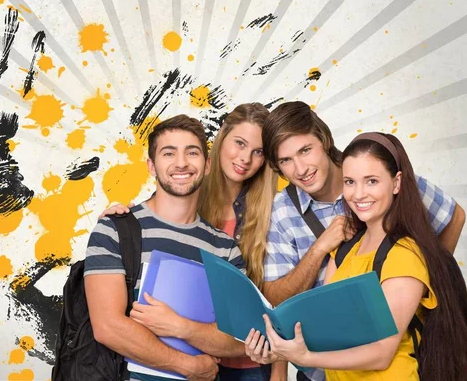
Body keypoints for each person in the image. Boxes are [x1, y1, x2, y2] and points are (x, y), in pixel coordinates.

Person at [255, 101, 465, 381]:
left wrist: (425, 284)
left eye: (306, 150)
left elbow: (382, 352)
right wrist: (281, 352)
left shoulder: (403, 250)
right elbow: (318, 313)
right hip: (325, 370)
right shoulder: (340, 249)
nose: (301, 168)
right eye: (286, 160)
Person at [101, 103, 288, 380]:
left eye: (258, 151)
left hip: (241, 361)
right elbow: (108, 324)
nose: (245, 158)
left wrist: (179, 327)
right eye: (239, 143)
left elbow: (267, 313)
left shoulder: (262, 219)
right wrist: (120, 222)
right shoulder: (150, 212)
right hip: (170, 364)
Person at [85, 114, 248, 381]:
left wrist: (180, 327)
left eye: (192, 153)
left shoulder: (225, 248)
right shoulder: (115, 229)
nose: (181, 163)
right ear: (151, 165)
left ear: (207, 165)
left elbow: (240, 339)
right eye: (169, 153)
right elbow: (107, 327)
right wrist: (186, 365)